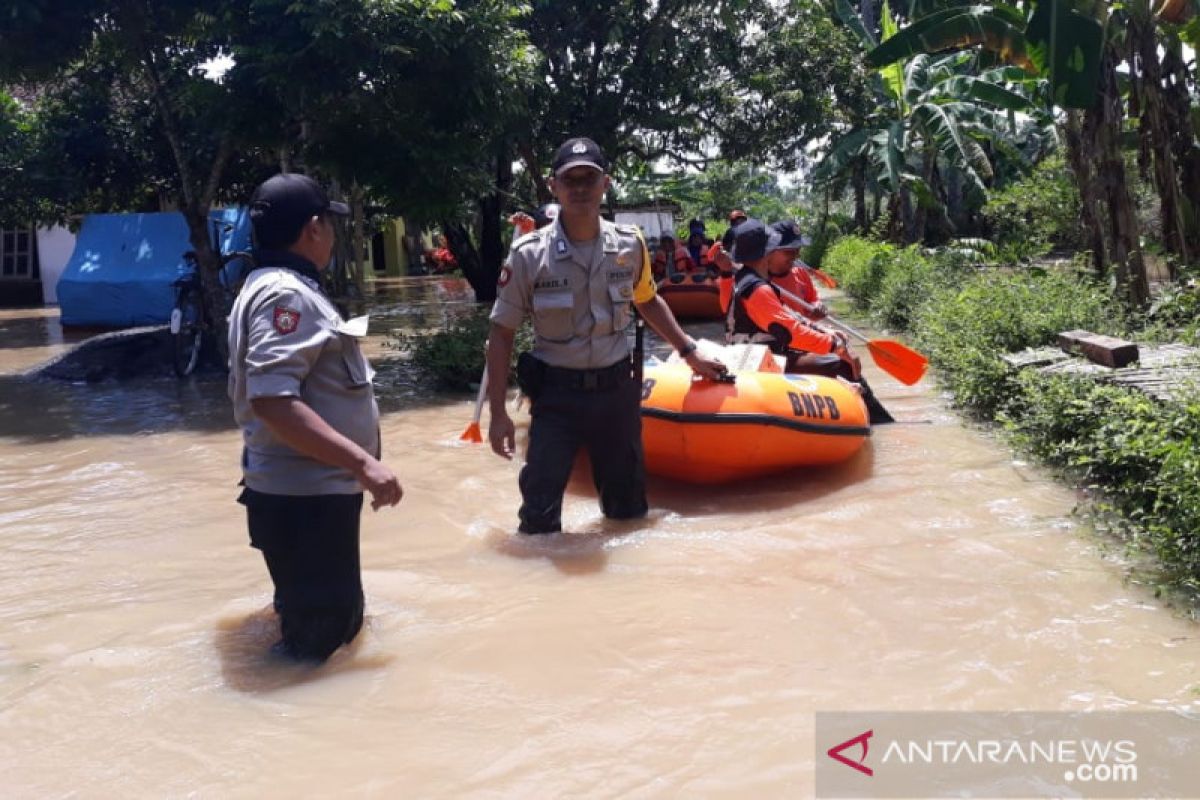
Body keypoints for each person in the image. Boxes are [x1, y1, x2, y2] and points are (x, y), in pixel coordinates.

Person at [485, 136, 726, 534]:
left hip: (617, 395)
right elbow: (501, 333)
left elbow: (648, 302)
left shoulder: (629, 246)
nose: (580, 188)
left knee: (628, 516)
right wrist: (497, 414)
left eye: (589, 178)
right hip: (556, 399)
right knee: (539, 520)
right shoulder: (528, 255)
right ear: (553, 186)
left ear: (606, 184)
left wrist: (689, 351)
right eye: (570, 179)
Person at [227, 173, 403, 662]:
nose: (332, 234)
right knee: (320, 652)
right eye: (329, 223)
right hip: (307, 501)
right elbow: (273, 400)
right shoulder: (288, 296)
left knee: (316, 635)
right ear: (313, 229)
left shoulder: (268, 285)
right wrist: (363, 464)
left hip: (300, 496)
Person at [766, 220, 826, 321]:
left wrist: (816, 307)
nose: (796, 256)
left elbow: (812, 300)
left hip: (802, 332)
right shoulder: (757, 282)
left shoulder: (800, 273)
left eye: (798, 250)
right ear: (770, 250)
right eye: (789, 251)